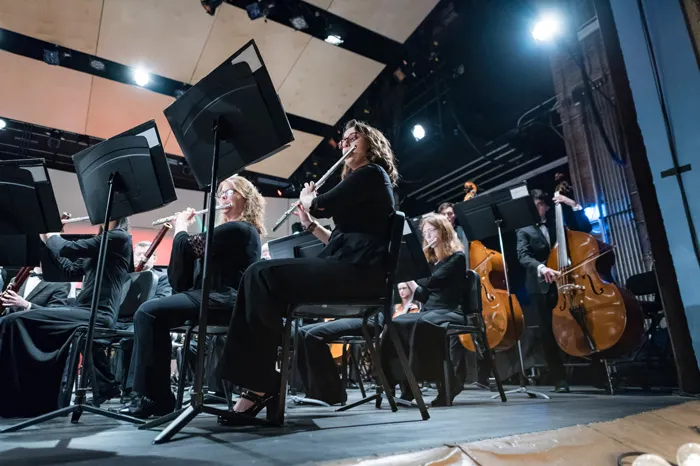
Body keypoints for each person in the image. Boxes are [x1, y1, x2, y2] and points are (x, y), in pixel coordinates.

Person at [217, 120, 398, 421]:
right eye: (343, 140)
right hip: (352, 268)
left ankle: (260, 384)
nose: (346, 143)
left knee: (261, 274)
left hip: (361, 276)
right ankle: (258, 381)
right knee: (258, 275)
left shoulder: (371, 173)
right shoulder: (363, 186)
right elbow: (342, 241)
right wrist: (311, 225)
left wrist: (309, 200)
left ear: (371, 145)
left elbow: (323, 204)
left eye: (355, 138)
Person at [121, 175, 264, 418]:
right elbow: (183, 278)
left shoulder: (241, 229)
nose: (223, 197)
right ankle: (154, 396)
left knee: (148, 312)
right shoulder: (221, 232)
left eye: (230, 192)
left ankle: (155, 398)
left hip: (226, 300)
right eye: (221, 193)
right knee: (151, 314)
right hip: (206, 296)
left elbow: (188, 246)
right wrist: (183, 235)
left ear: (246, 199)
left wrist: (181, 228)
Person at [0, 218, 132, 418]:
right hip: (83, 310)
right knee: (15, 320)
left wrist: (51, 232)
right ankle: (33, 400)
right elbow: (70, 268)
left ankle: (19, 401)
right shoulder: (102, 240)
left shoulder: (118, 238)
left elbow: (67, 249)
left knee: (15, 320)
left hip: (99, 314)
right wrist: (46, 238)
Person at [516, 187, 591, 393]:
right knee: (547, 332)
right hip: (540, 286)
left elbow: (585, 228)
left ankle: (596, 372)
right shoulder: (524, 229)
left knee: (582, 322)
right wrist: (542, 267)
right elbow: (523, 256)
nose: (538, 209)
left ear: (546, 206)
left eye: (540, 205)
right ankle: (559, 379)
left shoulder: (557, 221)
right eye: (535, 206)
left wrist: (572, 204)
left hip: (568, 280)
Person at [387, 213, 467, 407]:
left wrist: (410, 269)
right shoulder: (432, 262)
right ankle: (401, 384)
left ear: (444, 232)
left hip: (451, 310)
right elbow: (423, 294)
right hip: (431, 310)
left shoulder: (457, 258)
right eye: (425, 233)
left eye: (432, 231)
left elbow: (431, 282)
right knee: (396, 323)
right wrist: (406, 275)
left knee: (422, 323)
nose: (428, 236)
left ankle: (446, 383)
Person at [1, 266, 70, 312]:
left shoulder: (61, 284)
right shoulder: (16, 279)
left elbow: (54, 314)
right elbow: (10, 309)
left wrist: (27, 305)